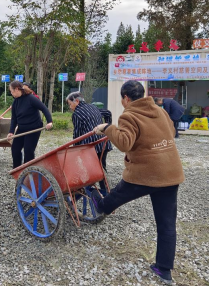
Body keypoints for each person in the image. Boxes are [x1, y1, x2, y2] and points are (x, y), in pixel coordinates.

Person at [92, 80, 185, 285]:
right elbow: (170, 132)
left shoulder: (129, 115)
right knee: (167, 224)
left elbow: (125, 143)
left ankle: (100, 207)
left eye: (122, 99)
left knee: (117, 194)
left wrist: (107, 128)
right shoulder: (160, 111)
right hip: (171, 172)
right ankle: (164, 270)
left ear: (126, 98)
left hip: (147, 173)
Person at [66, 91, 112, 190]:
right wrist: (108, 128)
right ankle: (105, 191)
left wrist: (76, 150)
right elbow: (108, 113)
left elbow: (77, 134)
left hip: (91, 147)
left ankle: (91, 190)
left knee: (90, 169)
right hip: (104, 143)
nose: (70, 107)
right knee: (101, 168)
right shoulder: (93, 107)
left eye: (70, 104)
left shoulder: (77, 114)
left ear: (76, 101)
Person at [8, 81, 53, 169]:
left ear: (17, 89)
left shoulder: (31, 98)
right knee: (15, 149)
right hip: (22, 128)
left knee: (28, 150)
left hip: (34, 128)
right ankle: (17, 169)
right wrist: (11, 132)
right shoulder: (15, 102)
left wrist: (49, 121)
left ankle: (28, 170)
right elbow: (14, 119)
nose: (11, 93)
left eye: (11, 91)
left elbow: (44, 108)